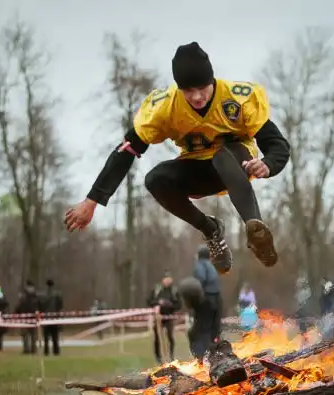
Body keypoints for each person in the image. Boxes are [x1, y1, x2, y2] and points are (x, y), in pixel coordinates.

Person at [64, 42, 291, 275]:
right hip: (198, 169)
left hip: (236, 164)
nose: (197, 97)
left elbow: (277, 144)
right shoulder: (165, 106)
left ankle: (256, 229)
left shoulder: (237, 98)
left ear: (212, 80)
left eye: (202, 88)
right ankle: (210, 229)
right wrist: (92, 201)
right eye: (188, 91)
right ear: (179, 88)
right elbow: (126, 150)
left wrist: (268, 164)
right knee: (155, 179)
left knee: (222, 157)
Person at [193, 245, 222, 353]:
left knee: (203, 328)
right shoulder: (212, 266)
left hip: (206, 299)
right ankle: (215, 351)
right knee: (214, 329)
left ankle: (203, 354)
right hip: (217, 299)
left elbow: (201, 278)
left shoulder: (200, 265)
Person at [148, 271, 181, 363]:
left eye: (168, 279)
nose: (167, 281)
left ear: (171, 280)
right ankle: (158, 357)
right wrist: (158, 303)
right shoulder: (156, 290)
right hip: (158, 317)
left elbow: (179, 305)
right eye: (165, 279)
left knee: (170, 337)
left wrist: (169, 304)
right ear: (162, 280)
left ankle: (171, 355)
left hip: (169, 317)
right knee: (157, 337)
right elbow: (149, 301)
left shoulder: (174, 291)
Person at [41, 279, 64, 356]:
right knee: (55, 337)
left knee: (46, 337)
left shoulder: (43, 295)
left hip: (46, 318)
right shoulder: (57, 294)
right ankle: (56, 351)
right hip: (54, 318)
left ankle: (46, 351)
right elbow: (60, 305)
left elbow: (41, 306)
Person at [16, 281, 40, 354]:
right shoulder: (36, 296)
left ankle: (26, 349)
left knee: (25, 335)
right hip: (33, 317)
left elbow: (19, 307)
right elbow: (39, 306)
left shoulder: (23, 296)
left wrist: (17, 313)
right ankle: (33, 349)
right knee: (33, 335)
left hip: (25, 318)